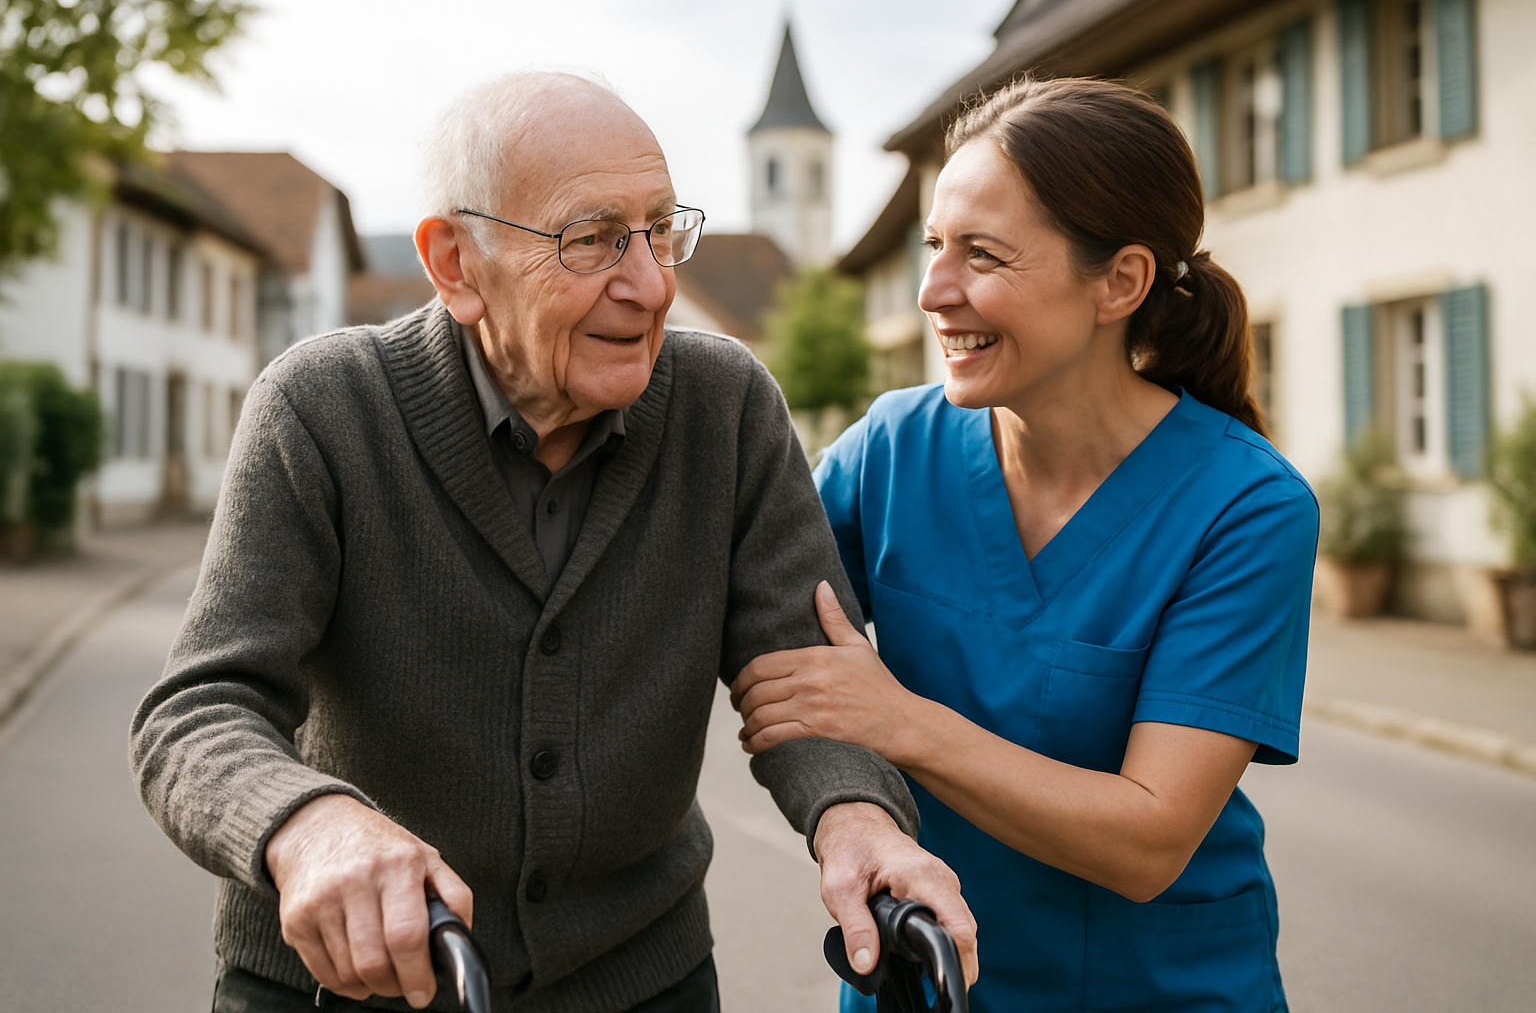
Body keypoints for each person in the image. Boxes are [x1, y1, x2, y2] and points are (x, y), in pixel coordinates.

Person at [130, 72, 975, 1013]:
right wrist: (310, 825)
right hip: (347, 986)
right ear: (455, 265)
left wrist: (856, 816)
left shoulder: (726, 405)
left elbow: (802, 666)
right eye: (594, 239)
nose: (652, 285)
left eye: (660, 230)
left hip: (639, 979)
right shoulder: (322, 409)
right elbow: (196, 714)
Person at [732, 77, 1318, 1013]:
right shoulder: (893, 448)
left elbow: (1148, 839)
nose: (933, 291)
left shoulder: (1246, 508)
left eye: (983, 255)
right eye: (934, 247)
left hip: (1156, 992)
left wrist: (900, 721)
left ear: (1120, 282)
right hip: (924, 978)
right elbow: (742, 593)